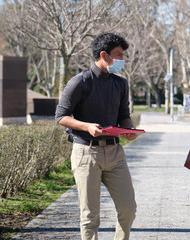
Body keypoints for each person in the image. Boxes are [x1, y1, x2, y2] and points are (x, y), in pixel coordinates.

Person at [55, 33, 137, 240]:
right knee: (90, 216)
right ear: (103, 55)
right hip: (86, 153)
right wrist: (86, 126)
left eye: (122, 55)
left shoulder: (120, 84)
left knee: (128, 209)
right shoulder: (79, 82)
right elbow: (60, 116)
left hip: (115, 153)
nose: (122, 60)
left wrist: (130, 129)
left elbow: (124, 116)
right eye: (118, 55)